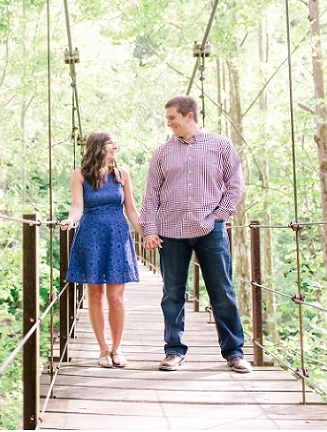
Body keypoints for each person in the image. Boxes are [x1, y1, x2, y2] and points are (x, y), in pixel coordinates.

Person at [139, 95, 251, 373]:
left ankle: (234, 353)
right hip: (171, 231)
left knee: (222, 291)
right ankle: (174, 351)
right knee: (172, 294)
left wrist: (218, 217)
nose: (168, 123)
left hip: (209, 229)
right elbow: (151, 195)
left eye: (172, 118)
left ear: (189, 116)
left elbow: (236, 186)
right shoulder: (162, 152)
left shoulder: (222, 146)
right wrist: (149, 229)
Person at [60, 131, 142, 368]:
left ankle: (117, 348)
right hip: (91, 235)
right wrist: (70, 221)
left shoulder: (122, 174)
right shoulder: (79, 176)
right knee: (95, 295)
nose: (115, 147)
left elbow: (132, 211)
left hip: (117, 236)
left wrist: (147, 233)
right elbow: (77, 207)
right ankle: (103, 350)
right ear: (99, 148)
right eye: (110, 144)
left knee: (115, 297)